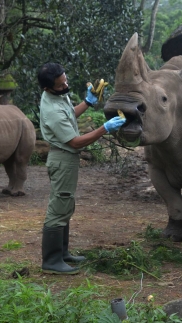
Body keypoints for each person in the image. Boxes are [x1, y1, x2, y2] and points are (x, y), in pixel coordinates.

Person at [37, 62, 125, 275]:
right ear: (48, 88)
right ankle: (51, 261)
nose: (65, 85)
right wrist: (104, 128)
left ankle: (62, 253)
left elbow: (69, 116)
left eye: (65, 80)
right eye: (60, 84)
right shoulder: (51, 109)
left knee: (65, 204)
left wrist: (87, 102)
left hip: (67, 159)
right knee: (59, 206)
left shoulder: (58, 96)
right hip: (63, 158)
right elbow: (75, 142)